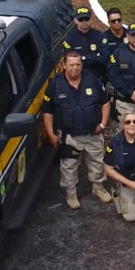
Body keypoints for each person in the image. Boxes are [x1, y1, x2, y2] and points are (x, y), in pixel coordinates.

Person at [43, 51, 113, 210]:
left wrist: (103, 124)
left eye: (78, 64)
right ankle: (71, 193)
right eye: (71, 65)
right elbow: (47, 112)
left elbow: (105, 102)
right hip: (69, 136)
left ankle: (98, 188)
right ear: (64, 65)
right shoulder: (55, 84)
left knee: (97, 162)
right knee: (69, 167)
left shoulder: (91, 79)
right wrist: (51, 134)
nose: (75, 68)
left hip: (93, 133)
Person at [63, 7, 110, 81]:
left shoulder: (100, 36)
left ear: (90, 19)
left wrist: (82, 58)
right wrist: (94, 57)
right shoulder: (69, 39)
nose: (84, 21)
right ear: (75, 20)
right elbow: (70, 62)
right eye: (81, 19)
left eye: (86, 19)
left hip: (97, 78)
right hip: (78, 80)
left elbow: (104, 59)